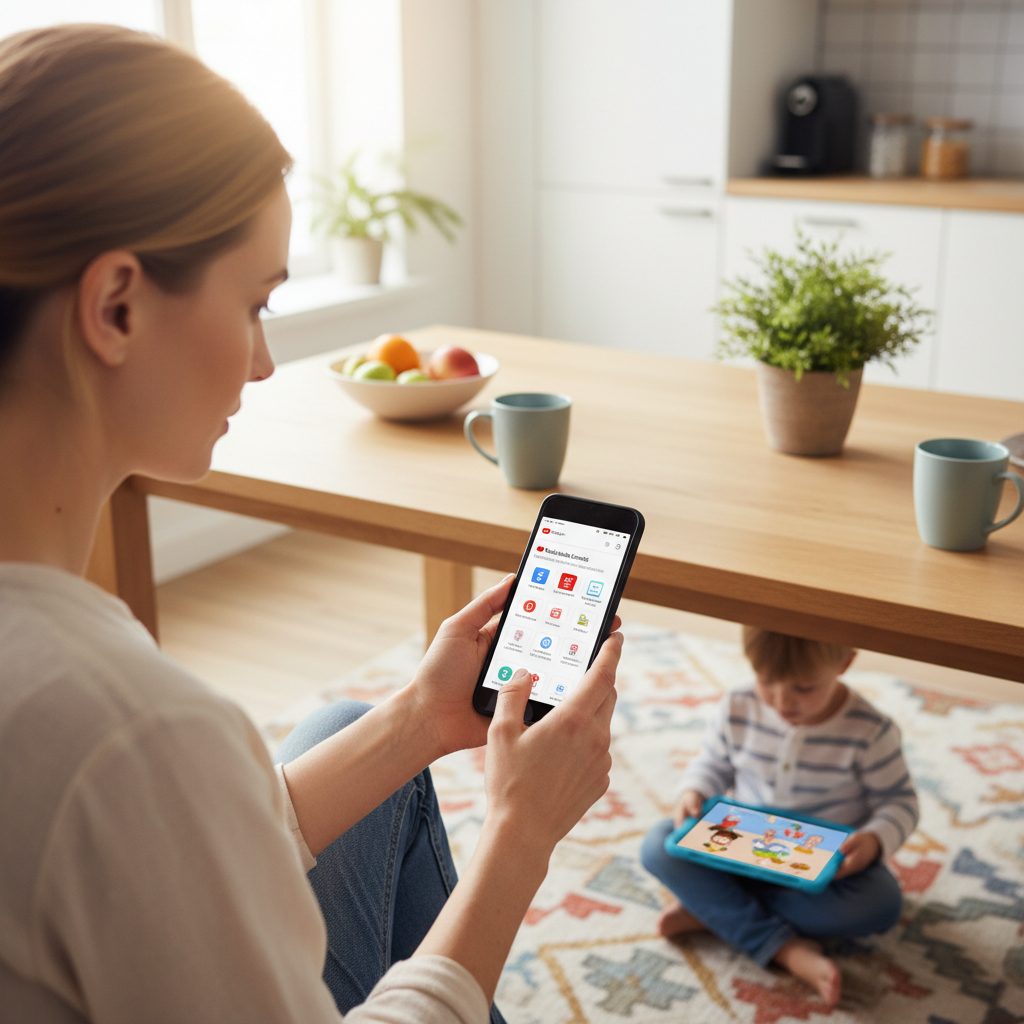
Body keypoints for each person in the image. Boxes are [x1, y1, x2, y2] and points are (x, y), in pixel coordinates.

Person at [0, 25, 623, 1023]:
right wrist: (520, 832)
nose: (259, 361)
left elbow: (178, 847)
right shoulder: (131, 732)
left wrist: (422, 720)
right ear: (116, 304)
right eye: (254, 303)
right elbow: (156, 800)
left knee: (351, 732)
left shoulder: (112, 731)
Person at [640, 627, 918, 1006]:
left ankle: (716, 912)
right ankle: (783, 947)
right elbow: (713, 763)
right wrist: (695, 790)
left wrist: (873, 840)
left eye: (804, 687)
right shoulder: (738, 704)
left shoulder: (871, 731)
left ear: (845, 662)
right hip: (738, 846)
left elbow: (899, 802)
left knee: (882, 903)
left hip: (822, 868)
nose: (782, 700)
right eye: (767, 681)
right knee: (658, 845)